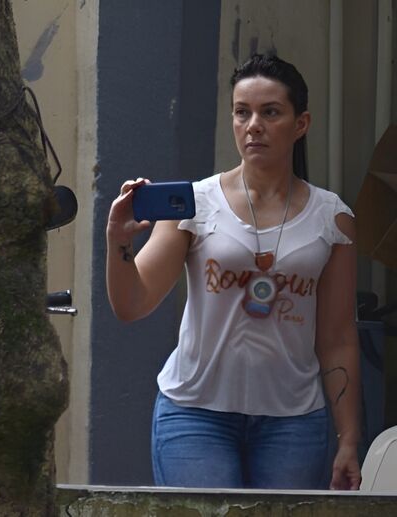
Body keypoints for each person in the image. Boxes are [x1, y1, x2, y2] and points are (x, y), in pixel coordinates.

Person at [106, 53, 362, 490]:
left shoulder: (331, 219)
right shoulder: (194, 204)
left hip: (293, 422)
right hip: (195, 414)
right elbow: (132, 303)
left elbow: (337, 339)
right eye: (242, 112)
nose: (253, 125)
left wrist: (350, 439)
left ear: (301, 124)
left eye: (270, 112)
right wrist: (119, 243)